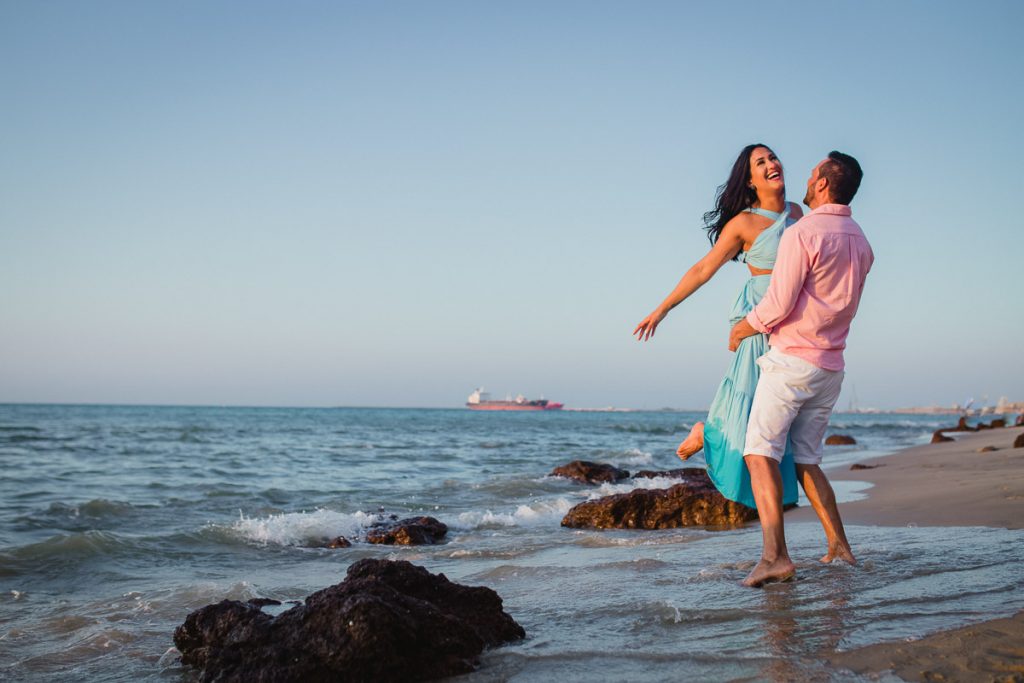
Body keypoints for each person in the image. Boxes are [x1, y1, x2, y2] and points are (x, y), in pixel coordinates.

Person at [728, 151, 873, 587]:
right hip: (831, 369)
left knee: (759, 453)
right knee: (807, 460)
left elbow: (778, 302)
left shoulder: (803, 232)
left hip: (792, 361)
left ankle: (775, 556)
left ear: (825, 184)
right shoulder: (862, 239)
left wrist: (742, 328)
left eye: (813, 176)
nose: (806, 181)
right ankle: (839, 546)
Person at [634, 144, 800, 510]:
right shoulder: (743, 223)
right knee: (749, 412)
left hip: (793, 323)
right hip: (758, 323)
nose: (772, 164)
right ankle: (707, 433)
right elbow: (702, 269)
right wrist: (662, 310)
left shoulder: (799, 215)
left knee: (779, 420)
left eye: (773, 158)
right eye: (761, 163)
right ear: (752, 181)